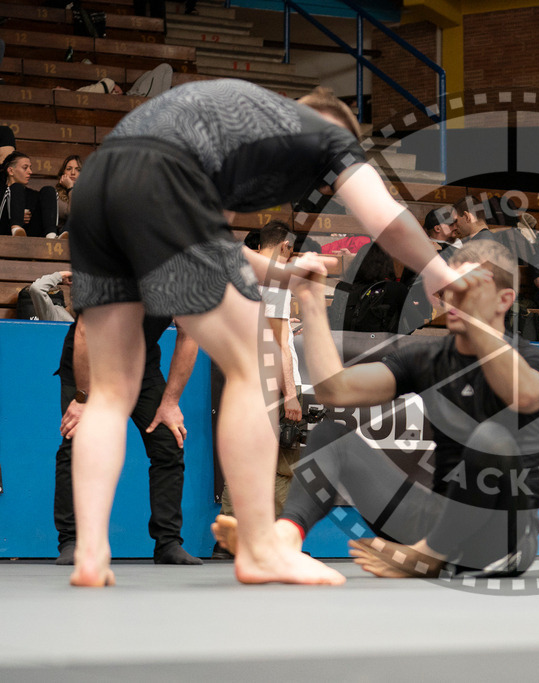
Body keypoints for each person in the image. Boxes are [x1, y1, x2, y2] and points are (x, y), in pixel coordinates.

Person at [65, 79, 469, 587]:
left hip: (101, 182)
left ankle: (91, 553)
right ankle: (259, 549)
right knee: (252, 365)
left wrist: (285, 274)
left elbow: (209, 242)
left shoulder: (237, 133)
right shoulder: (325, 131)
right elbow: (384, 218)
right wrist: (439, 272)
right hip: (163, 179)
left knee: (109, 392)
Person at [213, 240, 539, 578]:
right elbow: (336, 389)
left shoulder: (532, 361)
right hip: (436, 523)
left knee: (492, 437)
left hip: (503, 536)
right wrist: (310, 301)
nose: (453, 298)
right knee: (333, 435)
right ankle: (283, 539)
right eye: (451, 288)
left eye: (468, 288)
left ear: (504, 300)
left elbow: (524, 397)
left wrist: (476, 320)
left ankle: (428, 556)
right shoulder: (428, 357)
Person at [53, 309, 202, 566]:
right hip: (91, 360)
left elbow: (189, 335)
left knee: (168, 443)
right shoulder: (112, 270)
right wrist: (82, 398)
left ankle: (167, 542)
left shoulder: (185, 276)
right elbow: (85, 330)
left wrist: (170, 402)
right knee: (79, 443)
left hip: (140, 365)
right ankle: (72, 541)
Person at [219, 222, 305, 530]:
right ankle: (279, 537)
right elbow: (280, 343)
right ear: (284, 246)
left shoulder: (241, 274)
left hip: (241, 378)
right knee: (282, 466)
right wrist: (291, 394)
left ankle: (231, 532)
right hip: (270, 383)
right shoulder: (276, 277)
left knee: (243, 459)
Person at [2, 151, 58, 238]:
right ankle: (16, 228)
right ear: (11, 171)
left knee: (49, 190)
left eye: (30, 168)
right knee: (16, 187)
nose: (30, 172)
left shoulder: (33, 195)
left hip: (31, 234)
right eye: (25, 168)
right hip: (5, 232)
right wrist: (16, 214)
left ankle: (51, 235)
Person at [54, 155, 82, 238]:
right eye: (69, 169)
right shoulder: (56, 193)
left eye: (78, 170)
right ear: (63, 173)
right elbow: (72, 213)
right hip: (63, 236)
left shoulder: (88, 195)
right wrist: (70, 187)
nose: (73, 173)